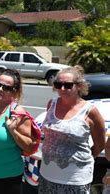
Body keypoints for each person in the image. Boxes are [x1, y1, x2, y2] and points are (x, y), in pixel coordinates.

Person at [39, 66, 105, 194]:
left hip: (75, 179)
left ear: (79, 86)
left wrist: (79, 160)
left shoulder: (90, 111)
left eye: (68, 85)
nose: (62, 89)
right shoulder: (51, 104)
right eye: (58, 84)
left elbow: (100, 144)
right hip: (47, 174)